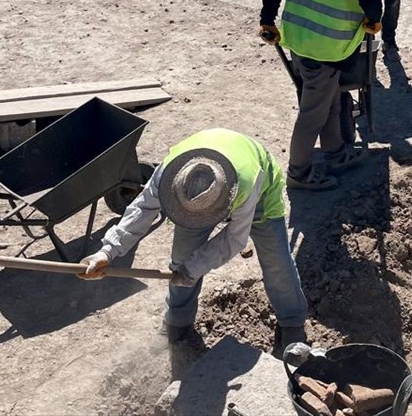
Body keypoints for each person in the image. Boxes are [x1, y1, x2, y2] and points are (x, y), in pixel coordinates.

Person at [79, 129, 307, 348]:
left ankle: (292, 322)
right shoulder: (170, 174)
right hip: (199, 191)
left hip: (260, 196)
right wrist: (106, 252)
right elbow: (141, 210)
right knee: (180, 261)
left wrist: (195, 267)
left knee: (277, 261)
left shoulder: (247, 180)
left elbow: (235, 238)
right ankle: (176, 322)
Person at [259, 0, 383, 191]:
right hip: (326, 53)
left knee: (330, 101)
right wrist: (374, 19)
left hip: (299, 46)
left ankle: (336, 154)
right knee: (312, 113)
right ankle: (298, 174)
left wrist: (268, 20)